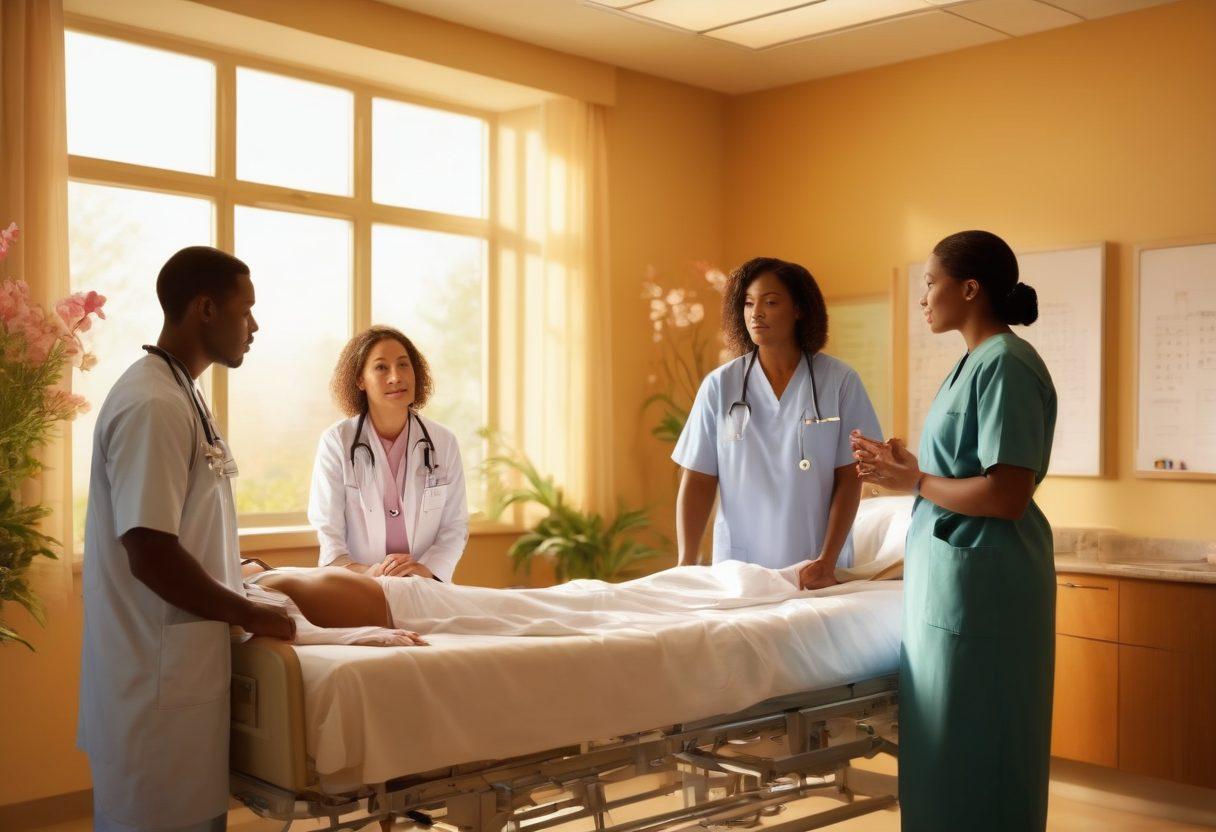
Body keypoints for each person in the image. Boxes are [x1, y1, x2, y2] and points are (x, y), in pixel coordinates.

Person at [78, 247, 295, 832]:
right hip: (152, 689)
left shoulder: (183, 392)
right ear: (205, 308)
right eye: (245, 310)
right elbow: (149, 551)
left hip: (177, 681)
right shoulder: (152, 403)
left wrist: (233, 566)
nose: (254, 325)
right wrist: (250, 611)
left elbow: (180, 524)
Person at [851, 230, 1057, 831]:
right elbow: (962, 473)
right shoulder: (971, 363)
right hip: (952, 583)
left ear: (969, 289)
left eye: (930, 282)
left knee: (982, 751)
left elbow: (1006, 493)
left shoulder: (1008, 366)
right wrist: (906, 469)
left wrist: (911, 483)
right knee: (943, 750)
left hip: (987, 588)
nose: (924, 296)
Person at [672, 257, 883, 589]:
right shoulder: (721, 384)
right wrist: (685, 562)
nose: (756, 313)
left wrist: (826, 561)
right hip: (738, 570)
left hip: (815, 568)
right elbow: (698, 478)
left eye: (770, 302)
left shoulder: (840, 381)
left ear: (799, 309)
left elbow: (849, 478)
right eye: (748, 303)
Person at [308, 326, 468, 581]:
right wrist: (372, 574)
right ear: (360, 380)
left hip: (426, 586)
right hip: (361, 587)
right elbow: (330, 539)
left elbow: (454, 526)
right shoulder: (337, 442)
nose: (396, 376)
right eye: (381, 367)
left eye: (403, 365)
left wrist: (425, 571)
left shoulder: (443, 442)